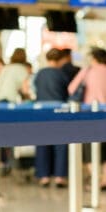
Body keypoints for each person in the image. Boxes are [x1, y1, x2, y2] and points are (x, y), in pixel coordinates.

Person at [68, 48, 106, 188]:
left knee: (89, 146)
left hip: (90, 113)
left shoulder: (88, 70)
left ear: (94, 58)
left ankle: (95, 179)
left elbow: (72, 88)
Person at [33, 48, 71, 188]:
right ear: (60, 59)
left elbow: (32, 90)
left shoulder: (39, 74)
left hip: (41, 111)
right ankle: (60, 176)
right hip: (59, 109)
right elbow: (68, 91)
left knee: (42, 142)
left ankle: (43, 176)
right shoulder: (62, 74)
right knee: (61, 144)